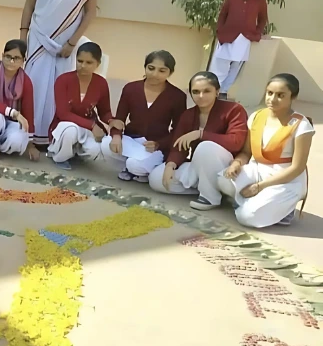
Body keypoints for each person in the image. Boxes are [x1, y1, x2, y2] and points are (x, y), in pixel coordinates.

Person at [20, 0, 101, 148]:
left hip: (66, 43)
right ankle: (28, 135)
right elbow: (29, 4)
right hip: (38, 38)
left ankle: (51, 138)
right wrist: (23, 36)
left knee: (59, 90)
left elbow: (90, 12)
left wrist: (72, 42)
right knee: (33, 85)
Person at [217, 74, 314, 227]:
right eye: (270, 93)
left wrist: (259, 186)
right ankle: (263, 204)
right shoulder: (257, 116)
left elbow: (297, 168)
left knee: (246, 217)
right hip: (258, 170)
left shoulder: (301, 125)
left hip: (285, 180)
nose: (272, 99)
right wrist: (236, 164)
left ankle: (284, 209)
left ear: (293, 96)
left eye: (280, 95)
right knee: (223, 180)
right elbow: (246, 152)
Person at [149, 72, 248, 210]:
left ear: (217, 91)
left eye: (207, 91)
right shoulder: (188, 115)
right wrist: (171, 165)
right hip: (199, 165)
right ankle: (206, 188)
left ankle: (210, 197)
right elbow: (179, 145)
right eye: (196, 92)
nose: (201, 96)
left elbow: (236, 141)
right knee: (156, 179)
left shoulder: (234, 110)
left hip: (227, 168)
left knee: (206, 147)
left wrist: (201, 134)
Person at [101, 50, 187, 182]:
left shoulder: (177, 97)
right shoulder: (131, 88)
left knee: (134, 164)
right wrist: (117, 136)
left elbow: (178, 130)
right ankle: (134, 170)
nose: (155, 74)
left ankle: (136, 169)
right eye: (151, 68)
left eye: (162, 71)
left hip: (154, 147)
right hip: (131, 140)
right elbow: (119, 119)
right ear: (145, 67)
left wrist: (159, 144)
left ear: (170, 72)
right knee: (106, 145)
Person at [48, 41, 113, 169]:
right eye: (80, 61)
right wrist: (92, 125)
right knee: (70, 130)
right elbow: (63, 114)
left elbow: (104, 111)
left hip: (87, 128)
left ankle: (75, 153)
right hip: (65, 125)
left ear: (97, 64)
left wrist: (112, 120)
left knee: (97, 150)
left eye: (89, 63)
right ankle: (60, 157)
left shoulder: (101, 83)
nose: (83, 65)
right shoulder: (63, 80)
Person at [209, 0, 268, 98]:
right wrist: (220, 31)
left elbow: (263, 19)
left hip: (245, 38)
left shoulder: (260, 0)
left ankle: (223, 91)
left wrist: (257, 33)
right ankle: (213, 89)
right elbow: (222, 16)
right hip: (227, 36)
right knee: (221, 64)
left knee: (235, 66)